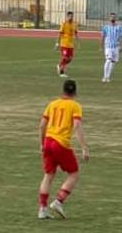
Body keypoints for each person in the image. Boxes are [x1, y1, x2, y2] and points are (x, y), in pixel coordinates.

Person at [38, 79, 89, 220]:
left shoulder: (52, 104)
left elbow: (42, 125)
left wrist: (42, 143)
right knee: (74, 173)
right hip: (61, 143)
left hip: (48, 141)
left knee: (48, 175)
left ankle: (42, 209)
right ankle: (58, 201)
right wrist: (84, 147)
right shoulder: (75, 106)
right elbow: (77, 126)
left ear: (63, 90)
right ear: (75, 92)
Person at [100, 12, 122, 83]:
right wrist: (101, 46)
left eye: (114, 17)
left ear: (115, 18)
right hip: (108, 47)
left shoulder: (119, 27)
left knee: (113, 62)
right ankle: (104, 76)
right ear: (109, 18)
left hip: (116, 47)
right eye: (111, 17)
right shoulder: (106, 27)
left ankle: (108, 77)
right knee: (108, 60)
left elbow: (121, 37)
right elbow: (103, 37)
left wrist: (121, 46)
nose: (112, 18)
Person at [54, 12, 79, 78]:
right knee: (65, 57)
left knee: (70, 59)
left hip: (71, 45)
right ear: (67, 16)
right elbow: (60, 34)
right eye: (69, 16)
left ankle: (60, 65)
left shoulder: (75, 24)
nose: (71, 17)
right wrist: (57, 43)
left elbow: (76, 33)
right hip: (64, 44)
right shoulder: (64, 24)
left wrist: (77, 41)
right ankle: (61, 72)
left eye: (72, 16)